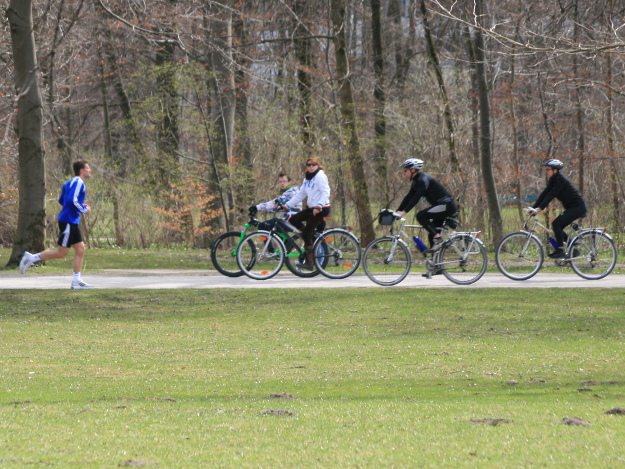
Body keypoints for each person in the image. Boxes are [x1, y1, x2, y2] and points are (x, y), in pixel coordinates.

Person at [19, 160, 93, 289]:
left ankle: (76, 280)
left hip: (70, 220)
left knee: (79, 249)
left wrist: (79, 206)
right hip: (69, 221)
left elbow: (62, 200)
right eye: (88, 168)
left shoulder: (68, 183)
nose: (90, 170)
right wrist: (84, 209)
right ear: (82, 170)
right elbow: (71, 200)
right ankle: (31, 258)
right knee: (62, 252)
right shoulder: (79, 182)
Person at [528, 158, 587, 258]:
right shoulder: (554, 180)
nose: (546, 171)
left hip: (578, 208)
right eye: (546, 170)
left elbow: (551, 194)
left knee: (556, 224)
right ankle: (572, 248)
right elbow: (545, 194)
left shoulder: (560, 180)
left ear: (555, 170)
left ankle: (560, 251)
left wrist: (539, 209)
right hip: (572, 208)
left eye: (548, 169)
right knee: (557, 225)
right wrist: (534, 208)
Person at [395, 157, 458, 249]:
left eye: (405, 171)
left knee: (420, 216)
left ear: (413, 170)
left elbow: (416, 198)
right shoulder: (416, 181)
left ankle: (438, 237)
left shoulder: (422, 180)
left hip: (446, 205)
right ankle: (435, 261)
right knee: (432, 234)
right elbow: (408, 197)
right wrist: (397, 211)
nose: (403, 173)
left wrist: (404, 212)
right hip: (442, 206)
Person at [284, 157, 331, 270]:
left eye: (313, 165)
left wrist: (319, 205)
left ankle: (310, 263)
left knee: (307, 233)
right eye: (308, 165)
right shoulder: (307, 178)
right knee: (293, 220)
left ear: (317, 165)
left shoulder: (320, 176)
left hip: (321, 208)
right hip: (311, 208)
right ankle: (309, 238)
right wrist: (288, 205)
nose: (310, 167)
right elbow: (301, 194)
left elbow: (326, 192)